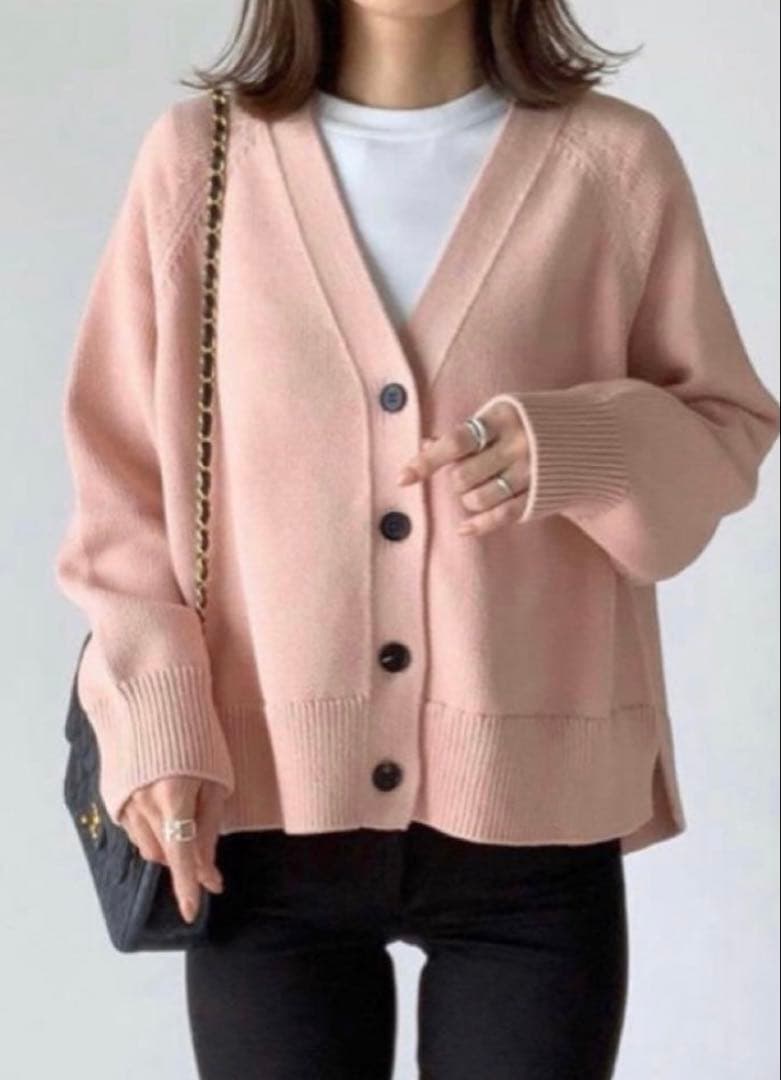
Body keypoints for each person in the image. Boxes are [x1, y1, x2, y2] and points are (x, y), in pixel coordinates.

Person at [54, 0, 781, 1076]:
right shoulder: (199, 164)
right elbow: (122, 492)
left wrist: (578, 444)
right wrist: (157, 725)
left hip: (534, 837)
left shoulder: (611, 165)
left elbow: (724, 433)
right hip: (260, 827)